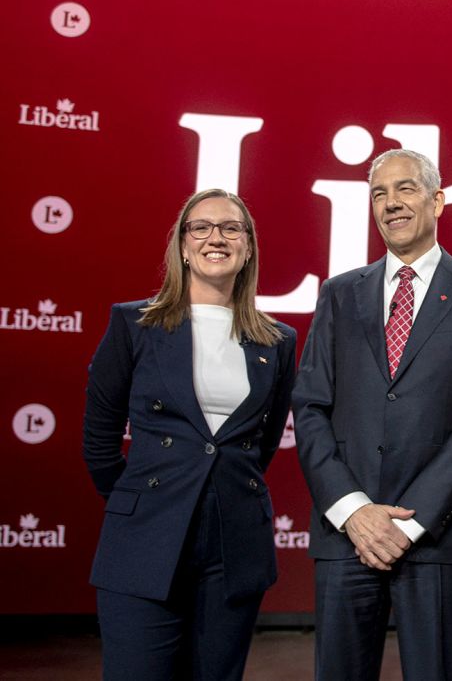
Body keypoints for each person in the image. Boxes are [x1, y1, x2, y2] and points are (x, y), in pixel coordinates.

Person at [293, 148, 452, 680]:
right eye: (378, 193)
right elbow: (311, 406)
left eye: (406, 189)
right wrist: (353, 510)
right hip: (348, 534)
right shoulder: (339, 294)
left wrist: (406, 526)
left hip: (435, 536)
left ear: (437, 200)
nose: (391, 203)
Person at [82, 189, 297, 679]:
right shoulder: (134, 325)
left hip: (234, 543)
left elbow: (259, 446)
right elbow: (100, 436)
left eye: (230, 228)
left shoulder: (278, 341)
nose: (215, 238)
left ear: (248, 248)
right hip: (144, 538)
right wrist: (133, 499)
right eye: (200, 227)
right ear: (181, 245)